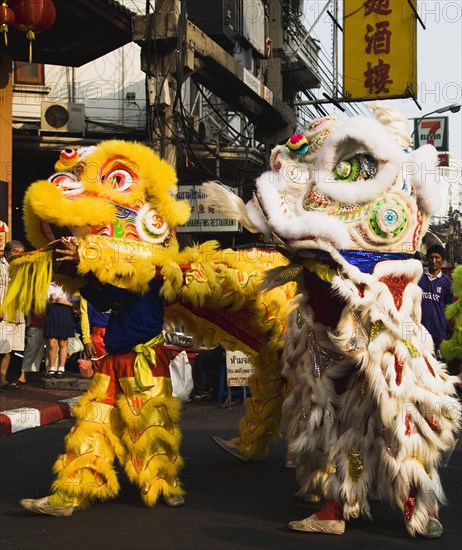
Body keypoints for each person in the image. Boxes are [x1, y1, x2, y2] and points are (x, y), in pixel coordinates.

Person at [20, 238, 185, 516]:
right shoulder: (119, 269)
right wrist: (78, 277)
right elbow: (106, 299)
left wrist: (86, 262)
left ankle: (164, 485)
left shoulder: (152, 267)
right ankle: (70, 493)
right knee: (90, 423)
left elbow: (118, 292)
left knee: (152, 428)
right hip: (113, 359)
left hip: (144, 360)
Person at [418, 244, 454, 356]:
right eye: (431, 257)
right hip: (420, 331)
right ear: (427, 259)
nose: (434, 261)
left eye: (437, 257)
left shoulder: (447, 283)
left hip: (438, 332)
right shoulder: (418, 278)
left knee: (437, 366)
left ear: (442, 260)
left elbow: (449, 310)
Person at [0, 240, 26, 389]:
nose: (19, 254)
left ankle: (2, 380)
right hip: (2, 314)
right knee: (0, 348)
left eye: (21, 252)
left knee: (9, 349)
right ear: (7, 252)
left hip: (17, 314)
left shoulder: (20, 269)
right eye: (15, 251)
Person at [43, 280, 76, 379]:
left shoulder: (70, 284)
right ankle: (52, 368)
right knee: (52, 342)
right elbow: (41, 301)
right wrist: (49, 298)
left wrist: (64, 301)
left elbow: (76, 303)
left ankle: (61, 368)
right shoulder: (48, 285)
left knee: (63, 342)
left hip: (65, 312)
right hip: (52, 312)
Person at [16, 311, 46, 385]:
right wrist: (29, 317)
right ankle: (23, 375)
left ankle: (48, 374)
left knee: (52, 350)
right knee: (31, 348)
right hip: (36, 321)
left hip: (53, 321)